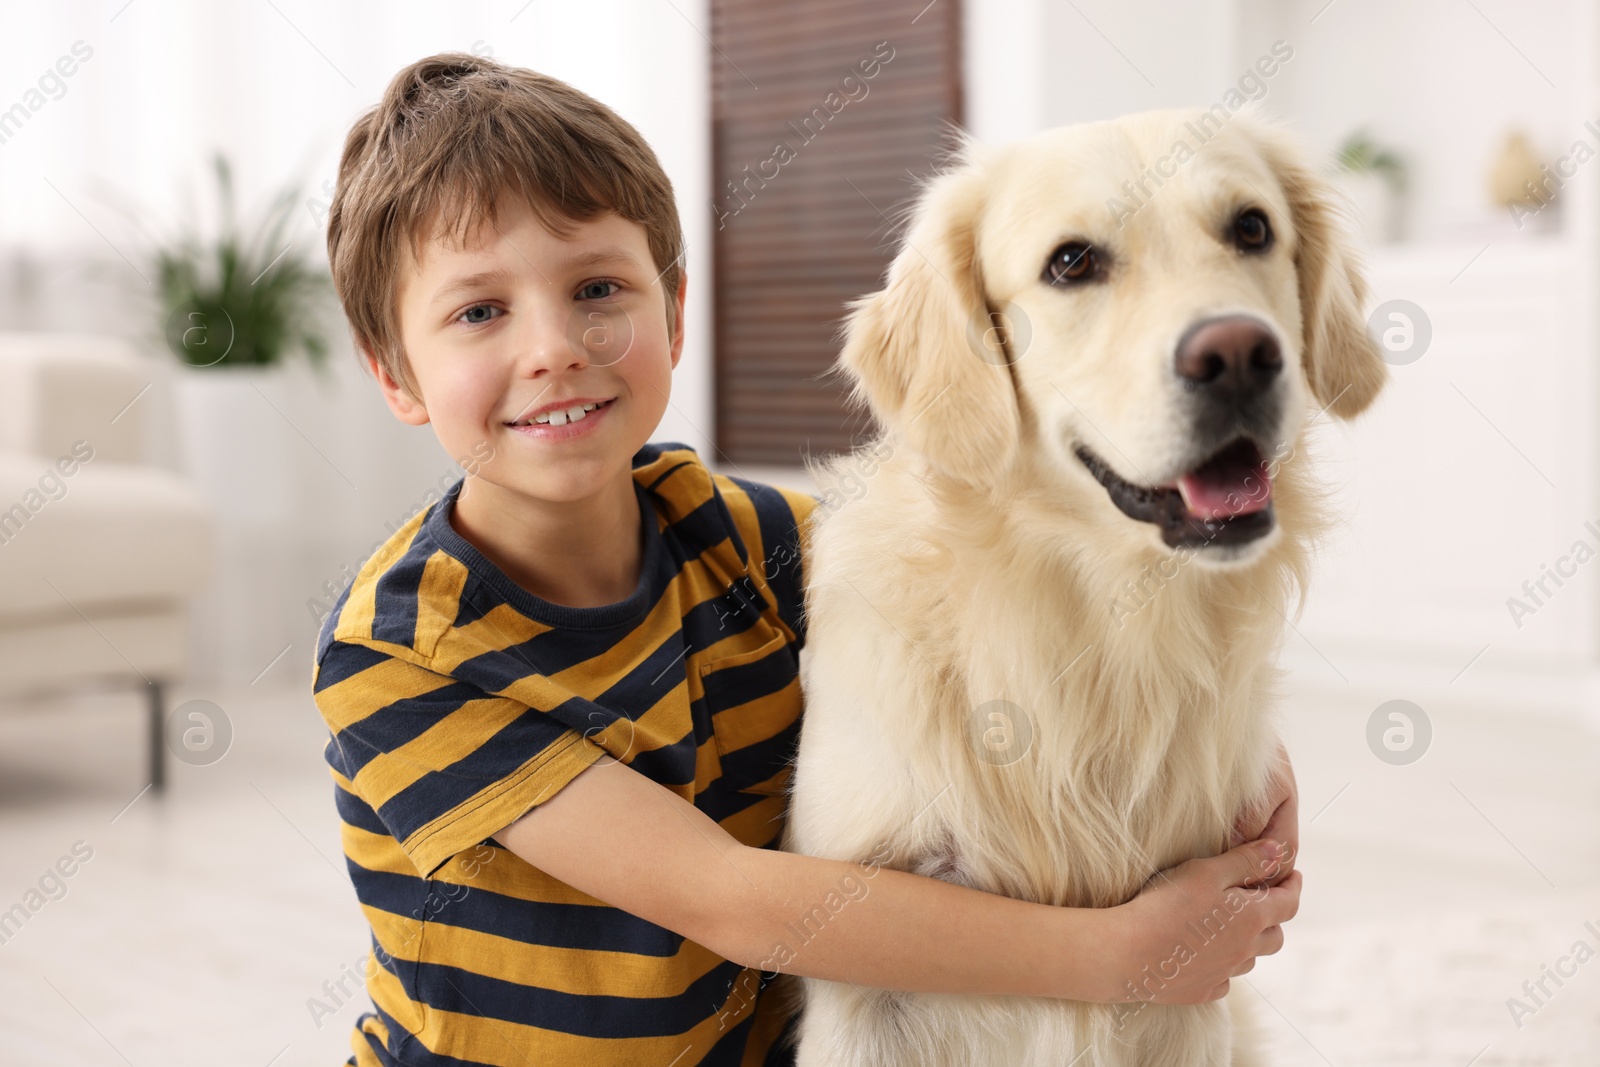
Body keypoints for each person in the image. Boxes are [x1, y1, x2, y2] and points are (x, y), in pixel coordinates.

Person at [311, 51, 1303, 1067]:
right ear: (395, 371)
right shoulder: (396, 655)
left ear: (674, 309)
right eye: (481, 310)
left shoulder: (741, 534)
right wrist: (1117, 954)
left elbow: (959, 574)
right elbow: (730, 902)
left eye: (598, 287)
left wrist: (1231, 746)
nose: (553, 345)